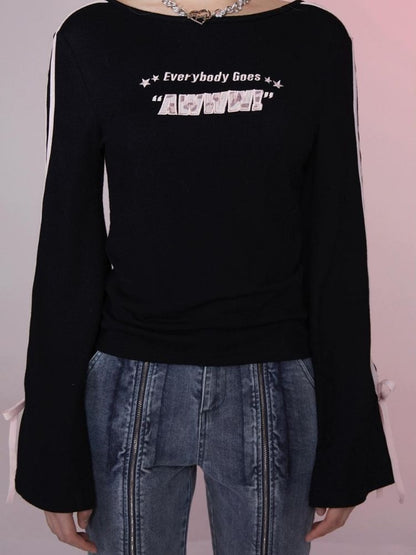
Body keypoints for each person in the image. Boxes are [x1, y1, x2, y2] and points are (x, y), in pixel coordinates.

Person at [2, 0, 400, 553]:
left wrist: (348, 437)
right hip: (129, 381)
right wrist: (51, 448)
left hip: (274, 380)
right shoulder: (92, 37)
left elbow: (338, 238)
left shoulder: (315, 38)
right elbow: (67, 242)